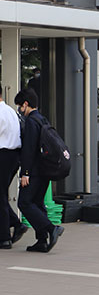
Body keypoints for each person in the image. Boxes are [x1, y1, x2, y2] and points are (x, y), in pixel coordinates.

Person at [16, 88, 63, 253]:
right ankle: (42, 241)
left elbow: (29, 150)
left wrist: (25, 173)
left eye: (20, 106)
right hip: (45, 170)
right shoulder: (43, 119)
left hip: (33, 171)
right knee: (37, 203)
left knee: (24, 202)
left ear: (26, 104)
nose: (20, 110)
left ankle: (51, 229)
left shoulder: (30, 122)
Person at [0, 86, 28, 249]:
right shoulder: (10, 111)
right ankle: (15, 224)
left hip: (3, 155)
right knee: (1, 194)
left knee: (0, 195)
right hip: (14, 156)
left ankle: (4, 237)